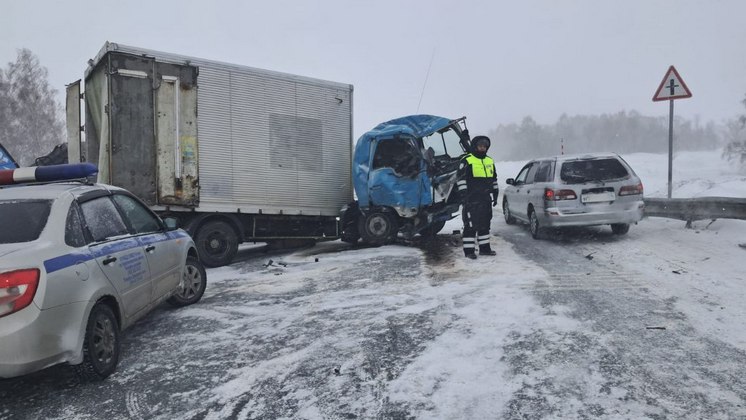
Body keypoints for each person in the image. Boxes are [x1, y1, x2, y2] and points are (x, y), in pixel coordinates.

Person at [457, 135, 499, 259]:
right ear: (475, 146)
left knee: (485, 224)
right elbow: (461, 179)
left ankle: (485, 249)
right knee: (470, 226)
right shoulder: (467, 160)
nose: (482, 148)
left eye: (485, 146)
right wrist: (464, 196)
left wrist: (495, 193)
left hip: (485, 199)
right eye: (480, 146)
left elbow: (494, 179)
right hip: (471, 199)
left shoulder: (489, 161)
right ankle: (469, 251)